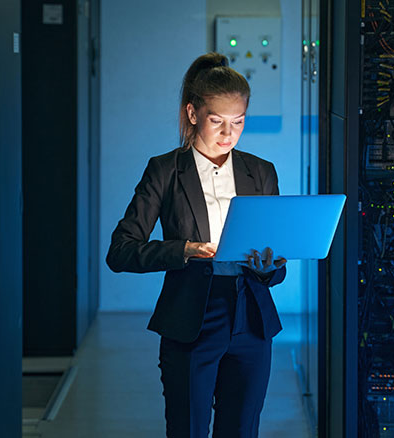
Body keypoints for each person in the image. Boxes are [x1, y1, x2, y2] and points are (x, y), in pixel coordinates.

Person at [106, 52, 287, 438]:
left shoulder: (261, 172)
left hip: (251, 320)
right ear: (192, 114)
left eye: (238, 122)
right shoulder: (165, 170)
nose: (228, 133)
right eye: (216, 121)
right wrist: (183, 250)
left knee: (242, 430)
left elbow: (278, 270)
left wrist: (268, 264)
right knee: (187, 430)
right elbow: (120, 250)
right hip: (192, 317)